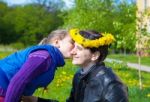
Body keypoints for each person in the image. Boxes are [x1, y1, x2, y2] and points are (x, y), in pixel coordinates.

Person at [23, 28, 129, 102]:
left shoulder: (111, 83)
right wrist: (35, 100)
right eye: (73, 47)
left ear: (95, 55)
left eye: (78, 49)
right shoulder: (79, 75)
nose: (72, 52)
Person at [0, 29, 74, 102]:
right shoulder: (44, 57)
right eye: (72, 42)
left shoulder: (50, 58)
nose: (75, 47)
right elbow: (18, 81)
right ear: (57, 42)